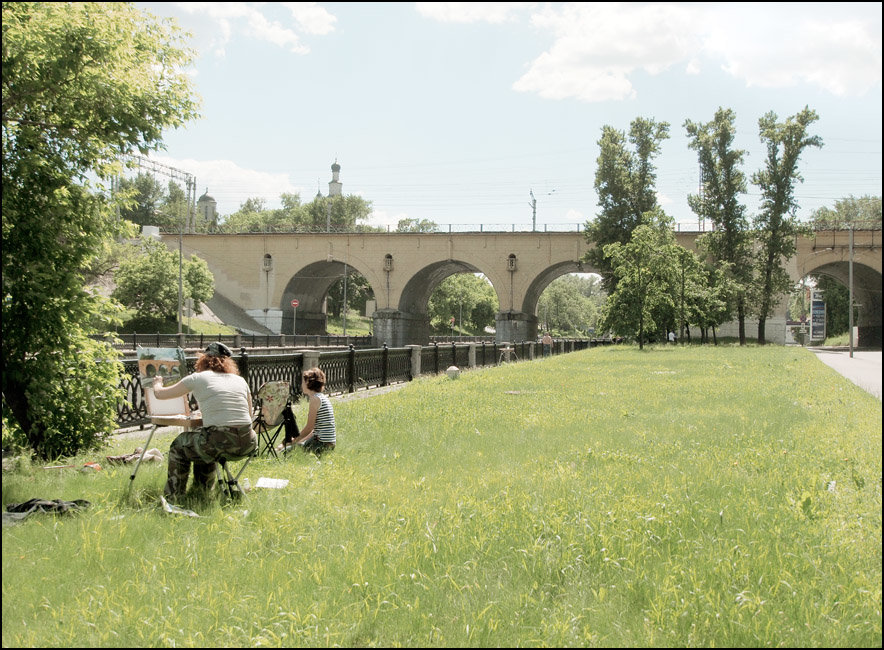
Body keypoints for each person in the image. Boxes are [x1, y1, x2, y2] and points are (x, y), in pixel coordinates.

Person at [153, 342, 257, 500]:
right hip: (248, 443)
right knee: (204, 441)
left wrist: (157, 384)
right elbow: (248, 415)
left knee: (180, 445)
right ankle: (202, 490)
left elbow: (161, 394)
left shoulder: (197, 378)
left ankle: (174, 496)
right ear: (228, 363)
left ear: (203, 361)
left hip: (219, 443)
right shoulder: (240, 381)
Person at [279, 367, 336, 456]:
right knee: (295, 446)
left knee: (285, 453)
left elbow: (309, 427)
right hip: (327, 443)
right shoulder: (322, 397)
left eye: (303, 382)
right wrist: (298, 441)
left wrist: (294, 441)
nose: (301, 384)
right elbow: (314, 430)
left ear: (308, 383)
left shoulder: (315, 399)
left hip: (321, 444)